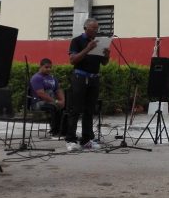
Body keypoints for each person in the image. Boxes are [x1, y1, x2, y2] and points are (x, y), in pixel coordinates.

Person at [64, 18, 109, 151]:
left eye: (97, 28)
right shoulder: (77, 41)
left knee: (89, 110)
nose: (96, 30)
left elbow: (104, 63)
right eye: (93, 28)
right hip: (80, 77)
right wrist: (87, 49)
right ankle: (71, 140)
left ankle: (87, 140)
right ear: (86, 28)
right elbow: (72, 60)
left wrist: (107, 55)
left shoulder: (98, 43)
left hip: (94, 78)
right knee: (75, 109)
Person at [29, 58, 65, 136]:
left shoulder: (52, 78)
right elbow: (41, 94)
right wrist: (55, 102)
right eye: (46, 67)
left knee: (65, 107)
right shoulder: (37, 78)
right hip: (38, 103)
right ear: (40, 66)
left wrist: (62, 101)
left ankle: (63, 130)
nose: (49, 69)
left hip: (51, 101)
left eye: (50, 67)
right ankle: (54, 131)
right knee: (53, 107)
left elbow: (58, 90)